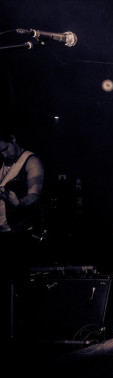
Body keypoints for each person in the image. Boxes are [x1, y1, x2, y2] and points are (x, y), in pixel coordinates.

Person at [1, 129, 45, 341]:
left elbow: (34, 195)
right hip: (3, 231)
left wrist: (18, 203)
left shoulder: (30, 161)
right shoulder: (3, 163)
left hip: (18, 233)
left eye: (5, 149)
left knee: (20, 284)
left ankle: (26, 334)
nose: (4, 154)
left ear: (13, 139)